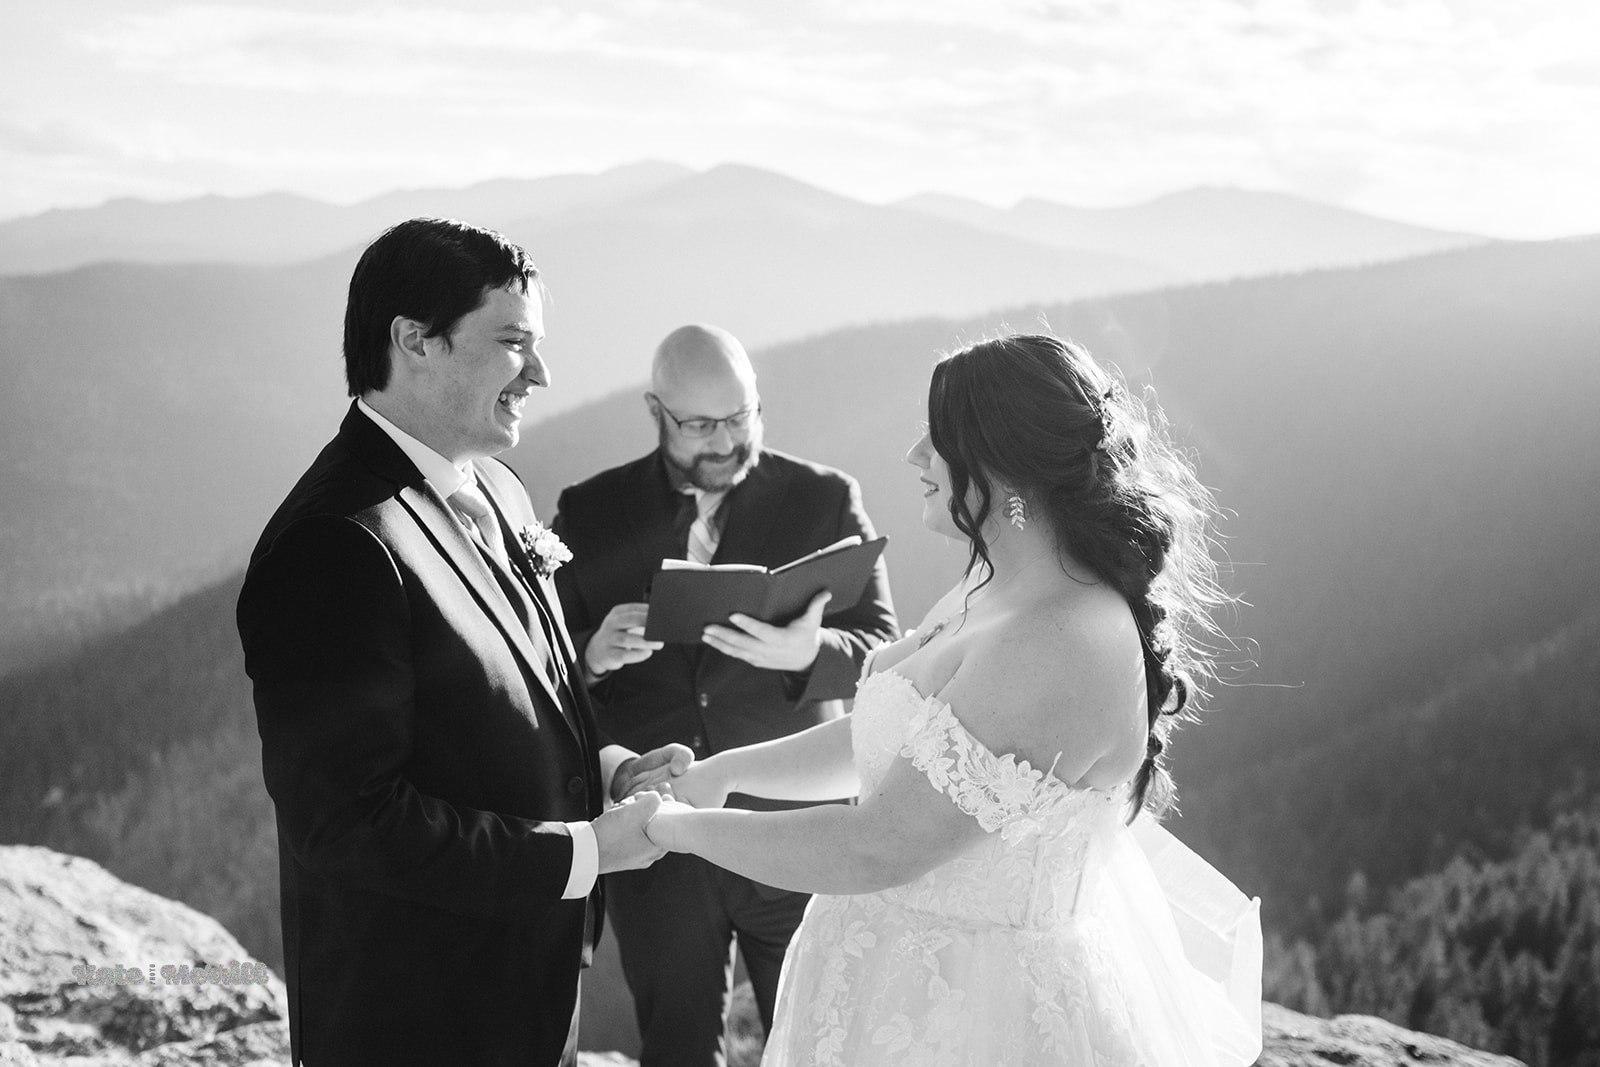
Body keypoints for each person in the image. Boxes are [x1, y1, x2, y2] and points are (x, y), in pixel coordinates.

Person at [648, 334, 1264, 1064]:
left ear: (1005, 468)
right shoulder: (997, 580)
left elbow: (877, 845)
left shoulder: (1058, 640)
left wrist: (676, 829)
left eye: (937, 439)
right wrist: (724, 773)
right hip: (889, 988)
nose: (915, 455)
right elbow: (898, 740)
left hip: (979, 1017)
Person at [236, 218, 689, 1065]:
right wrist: (586, 851)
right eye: (513, 343)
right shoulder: (334, 542)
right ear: (415, 340)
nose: (541, 374)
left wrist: (603, 769)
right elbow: (348, 822)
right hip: (417, 1017)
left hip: (531, 995)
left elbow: (500, 699)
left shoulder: (500, 490)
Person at [551, 324, 899, 1064]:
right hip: (659, 832)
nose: (726, 441)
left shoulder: (825, 498)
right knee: (676, 1046)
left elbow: (884, 649)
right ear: (656, 411)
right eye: (701, 425)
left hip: (795, 827)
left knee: (823, 1040)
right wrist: (589, 656)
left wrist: (813, 652)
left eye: (741, 417)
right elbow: (538, 667)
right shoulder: (590, 511)